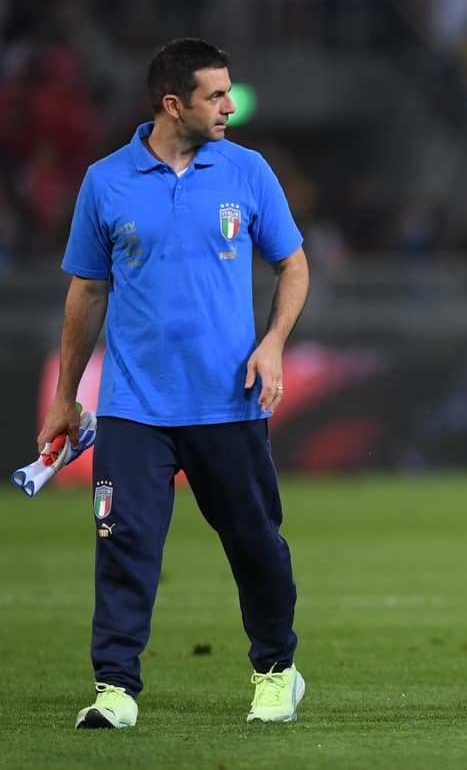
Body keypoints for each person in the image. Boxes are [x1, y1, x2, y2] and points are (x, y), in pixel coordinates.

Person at [40, 38, 311, 729]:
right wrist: (66, 394)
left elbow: (294, 265)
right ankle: (115, 687)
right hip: (135, 406)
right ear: (172, 104)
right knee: (123, 542)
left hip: (230, 403)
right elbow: (87, 292)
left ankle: (277, 669)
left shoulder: (247, 171)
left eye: (229, 92)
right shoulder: (106, 181)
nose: (230, 104)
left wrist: (274, 344)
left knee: (256, 542)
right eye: (215, 95)